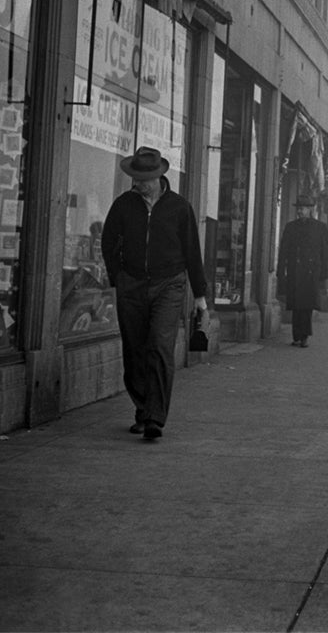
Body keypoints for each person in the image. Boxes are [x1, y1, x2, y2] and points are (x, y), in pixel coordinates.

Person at [101, 146, 207, 441]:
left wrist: (200, 296)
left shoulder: (179, 207)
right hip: (132, 284)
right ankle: (142, 407)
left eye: (144, 179)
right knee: (134, 349)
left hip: (169, 284)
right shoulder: (124, 205)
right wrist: (118, 277)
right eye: (135, 178)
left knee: (160, 345)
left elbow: (192, 251)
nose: (138, 184)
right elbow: (108, 241)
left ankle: (154, 418)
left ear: (159, 177)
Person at [276, 193, 328, 347]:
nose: (300, 211)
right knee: (296, 305)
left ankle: (304, 336)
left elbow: (325, 252)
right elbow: (283, 250)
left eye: (303, 208)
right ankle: (296, 335)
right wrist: (281, 270)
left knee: (306, 306)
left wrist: (324, 273)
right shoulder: (291, 227)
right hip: (294, 271)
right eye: (299, 208)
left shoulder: (320, 227)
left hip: (311, 272)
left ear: (310, 210)